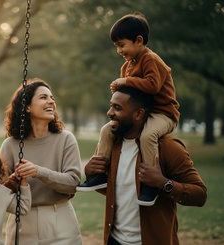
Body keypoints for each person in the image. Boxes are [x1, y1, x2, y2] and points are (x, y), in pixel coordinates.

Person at [77, 13, 180, 206]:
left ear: (138, 40)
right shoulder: (127, 67)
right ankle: (100, 174)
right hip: (141, 114)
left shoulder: (151, 59)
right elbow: (128, 95)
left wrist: (126, 81)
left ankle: (150, 183)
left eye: (121, 45)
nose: (118, 51)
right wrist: (119, 89)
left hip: (163, 113)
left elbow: (152, 85)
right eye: (116, 46)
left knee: (148, 135)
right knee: (106, 129)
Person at [84, 86, 207, 245]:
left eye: (117, 108)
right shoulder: (111, 145)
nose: (110, 112)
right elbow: (120, 191)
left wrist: (164, 184)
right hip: (114, 240)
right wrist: (91, 174)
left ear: (138, 114)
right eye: (111, 105)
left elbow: (200, 195)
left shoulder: (168, 147)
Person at [0, 78, 83, 245]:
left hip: (61, 222)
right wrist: (12, 182)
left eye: (52, 98)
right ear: (27, 106)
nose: (51, 101)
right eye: (43, 97)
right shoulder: (10, 145)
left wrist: (38, 172)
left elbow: (73, 183)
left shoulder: (65, 139)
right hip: (22, 223)